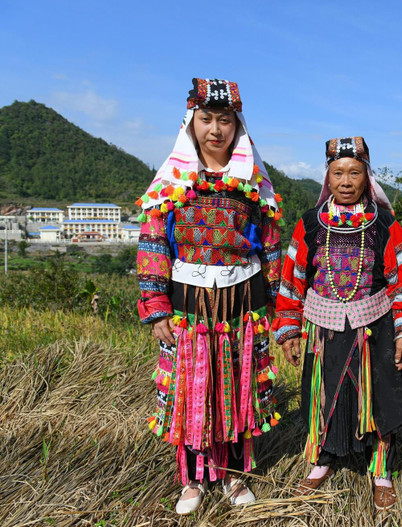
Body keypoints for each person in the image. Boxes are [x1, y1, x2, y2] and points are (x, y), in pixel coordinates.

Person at [135, 78, 282, 515]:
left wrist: (275, 304)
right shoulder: (173, 181)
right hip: (189, 302)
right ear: (191, 123)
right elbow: (153, 243)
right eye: (206, 120)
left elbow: (270, 244)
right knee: (192, 386)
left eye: (225, 120)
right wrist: (156, 304)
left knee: (239, 383)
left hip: (242, 301)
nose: (215, 129)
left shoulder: (252, 182)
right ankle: (193, 479)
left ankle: (236, 475)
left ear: (238, 127)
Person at [272, 137, 402, 511]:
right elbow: (293, 278)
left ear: (367, 177)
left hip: (374, 327)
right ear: (328, 176)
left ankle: (381, 468)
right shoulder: (310, 223)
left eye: (355, 172)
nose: (346, 180)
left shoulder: (384, 223)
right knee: (324, 397)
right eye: (338, 172)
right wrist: (289, 328)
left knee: (379, 398)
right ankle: (322, 460)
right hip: (324, 329)